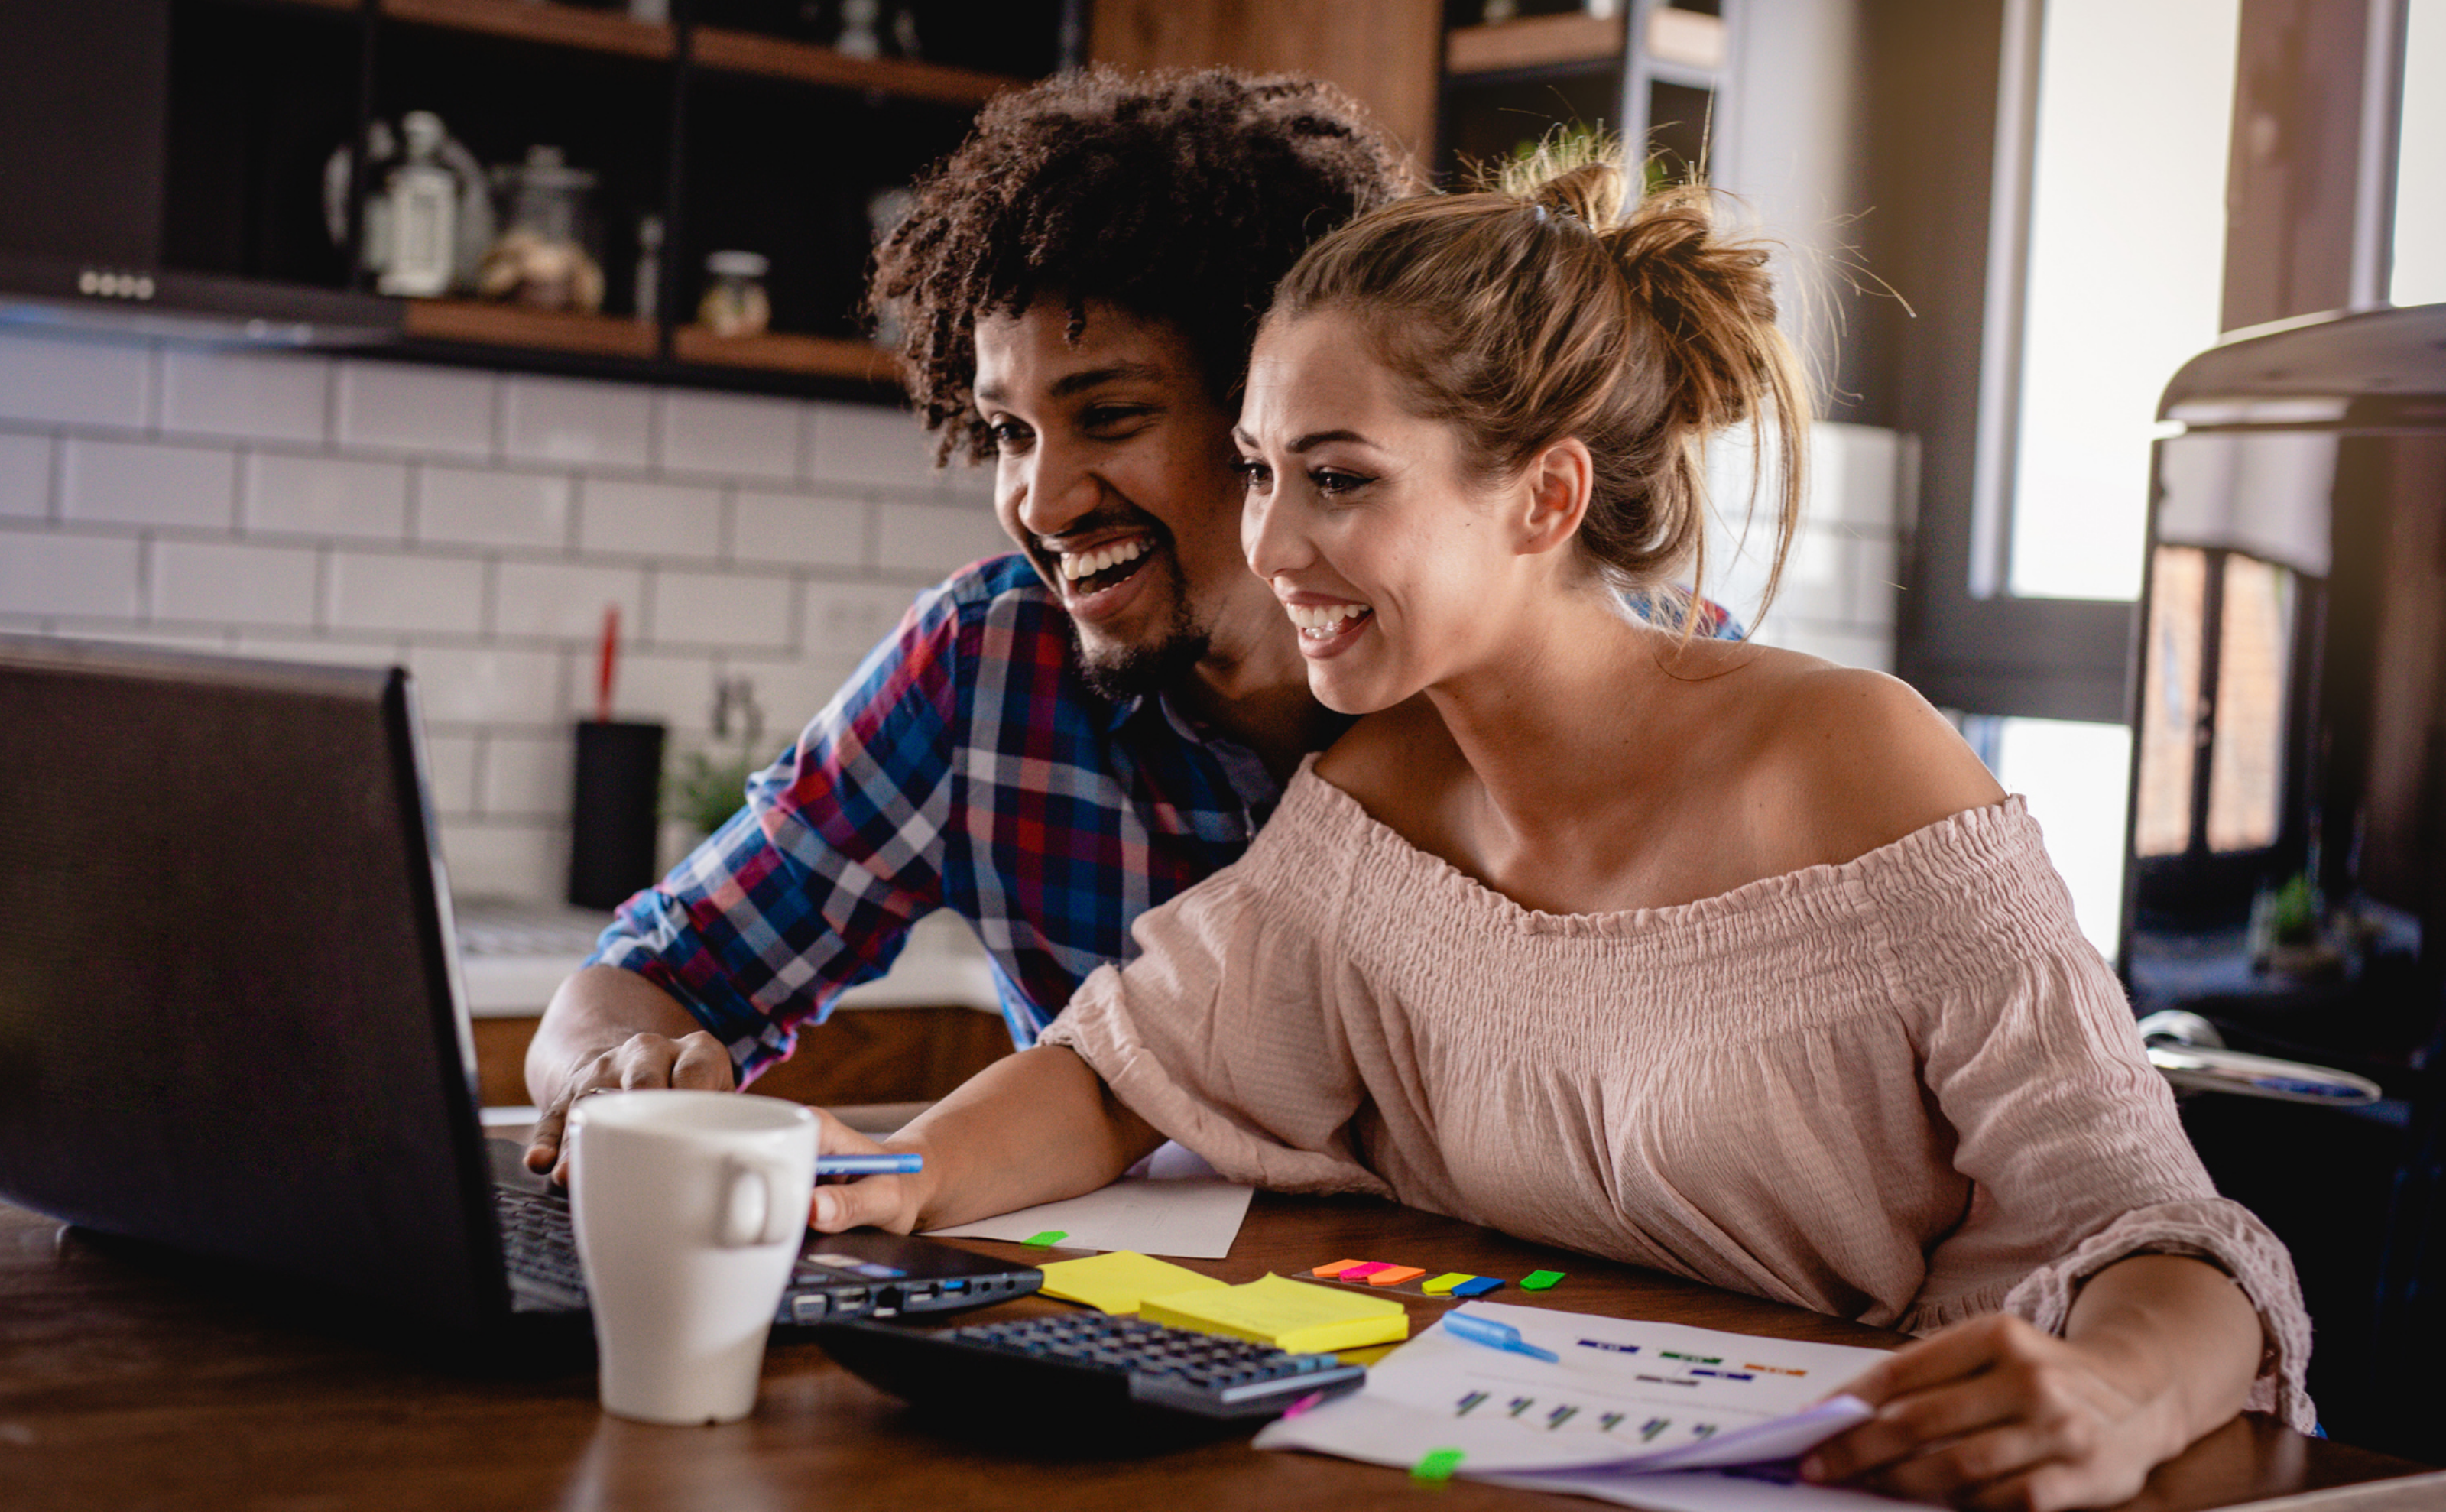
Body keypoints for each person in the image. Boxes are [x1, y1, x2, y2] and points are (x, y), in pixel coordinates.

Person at [803, 152, 2315, 1512]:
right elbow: (1121, 1071)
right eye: (1260, 471)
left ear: (1544, 499)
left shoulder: (1855, 763)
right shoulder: (1374, 806)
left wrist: (2111, 1393)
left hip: (1930, 1474)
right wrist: (903, 1170)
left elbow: (2168, 1237)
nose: (1266, 542)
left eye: (1337, 478)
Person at [519, 69, 1737, 1182]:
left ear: (1269, 406)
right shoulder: (985, 669)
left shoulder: (1594, 683)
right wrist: (608, 1075)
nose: (1039, 504)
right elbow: (658, 971)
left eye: (1108, 415)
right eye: (1008, 433)